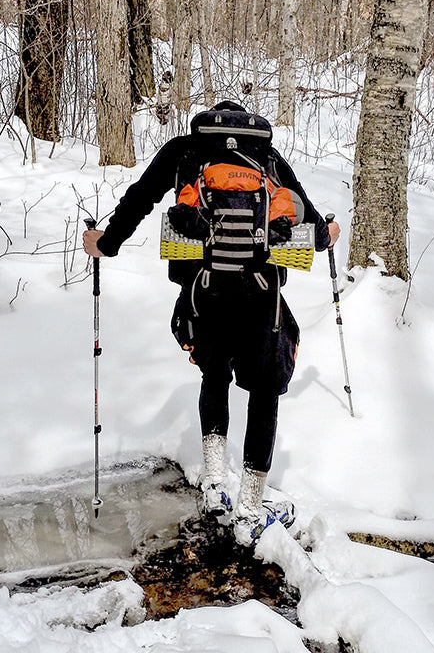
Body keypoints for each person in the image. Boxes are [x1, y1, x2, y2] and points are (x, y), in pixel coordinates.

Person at [83, 101, 340, 545]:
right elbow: (314, 229)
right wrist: (328, 232)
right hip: (262, 295)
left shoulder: (184, 152)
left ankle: (215, 487)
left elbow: (140, 198)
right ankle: (251, 509)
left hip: (203, 293)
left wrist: (106, 242)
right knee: (263, 393)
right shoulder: (267, 158)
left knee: (214, 376)